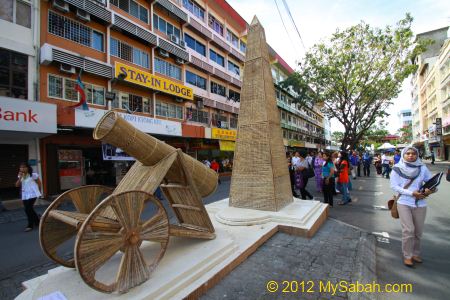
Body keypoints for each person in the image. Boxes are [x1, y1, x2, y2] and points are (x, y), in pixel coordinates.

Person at [390, 147, 437, 267]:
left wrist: (429, 190)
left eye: (413, 154)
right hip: (404, 202)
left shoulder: (422, 168)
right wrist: (411, 193)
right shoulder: (397, 169)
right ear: (403, 155)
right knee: (409, 230)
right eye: (408, 153)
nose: (411, 156)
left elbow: (431, 183)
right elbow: (395, 186)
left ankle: (415, 253)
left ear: (417, 155)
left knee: (418, 232)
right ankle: (407, 255)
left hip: (420, 203)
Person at [15, 162, 41, 232]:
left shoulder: (33, 175)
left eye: (24, 167)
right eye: (21, 167)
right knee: (29, 209)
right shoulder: (20, 175)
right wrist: (20, 177)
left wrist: (38, 191)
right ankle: (37, 221)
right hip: (25, 194)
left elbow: (39, 183)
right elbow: (17, 185)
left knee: (27, 209)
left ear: (28, 168)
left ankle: (30, 225)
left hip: (33, 194)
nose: (22, 168)